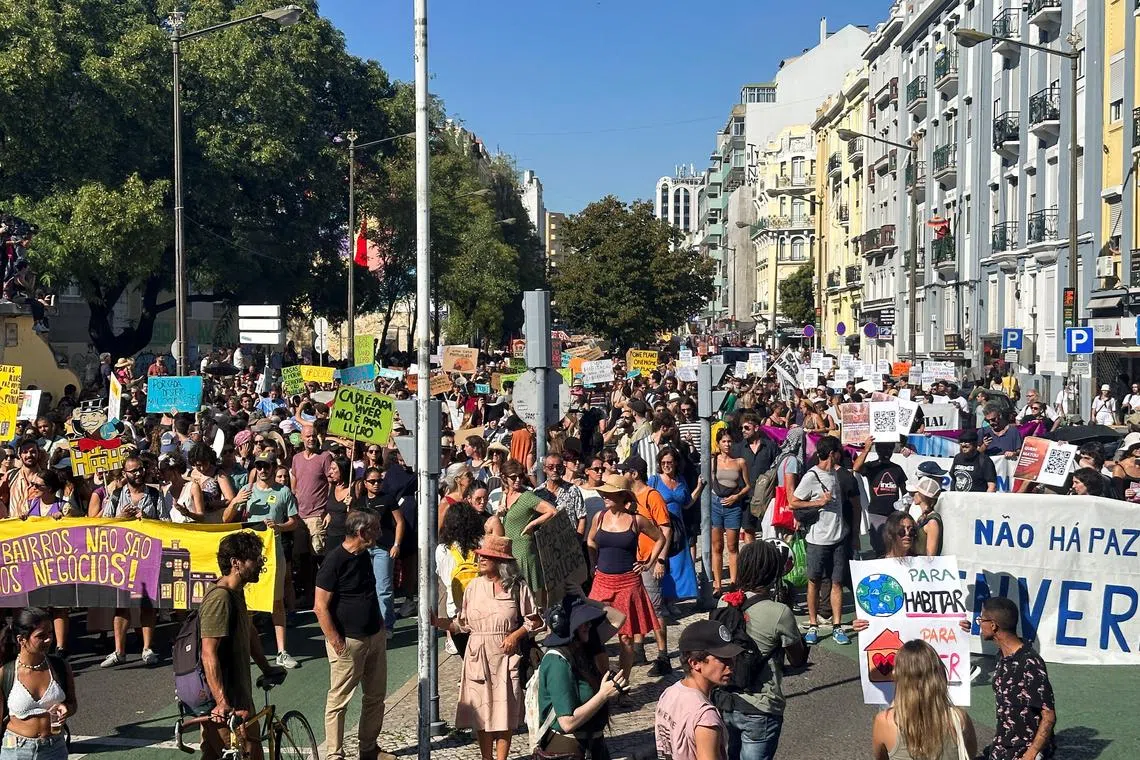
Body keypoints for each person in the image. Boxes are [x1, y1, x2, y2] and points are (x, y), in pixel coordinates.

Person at [432, 536, 541, 760]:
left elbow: (536, 620)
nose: (480, 559)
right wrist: (440, 623)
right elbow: (463, 625)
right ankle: (486, 758)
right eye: (480, 555)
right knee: (481, 712)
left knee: (504, 712)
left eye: (487, 556)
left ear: (501, 562)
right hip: (477, 654)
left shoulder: (517, 587)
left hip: (504, 655)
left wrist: (516, 635)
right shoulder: (473, 587)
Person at [716, 541, 807, 760]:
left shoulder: (724, 602)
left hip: (727, 701)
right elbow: (797, 660)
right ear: (773, 572)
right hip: (761, 706)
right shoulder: (779, 612)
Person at [313, 510, 393, 760]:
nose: (379, 534)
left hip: (373, 635)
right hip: (349, 641)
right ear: (361, 533)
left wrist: (379, 624)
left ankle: (368, 748)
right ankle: (335, 754)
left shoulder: (363, 556)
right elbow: (320, 606)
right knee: (339, 700)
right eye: (375, 530)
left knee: (375, 696)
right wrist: (336, 641)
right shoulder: (334, 561)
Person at [199, 532, 284, 760]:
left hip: (237, 699)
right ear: (236, 562)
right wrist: (221, 702)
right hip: (227, 706)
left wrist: (267, 668)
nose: (260, 564)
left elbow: (250, 633)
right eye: (254, 558)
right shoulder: (220, 599)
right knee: (248, 753)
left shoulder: (237, 593)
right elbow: (208, 652)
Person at [224, 452, 300, 669]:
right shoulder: (246, 491)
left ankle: (281, 651)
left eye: (266, 466)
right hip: (248, 557)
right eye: (259, 466)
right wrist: (237, 502)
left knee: (276, 602)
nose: (263, 470)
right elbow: (226, 518)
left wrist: (279, 527)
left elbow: (294, 521)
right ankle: (246, 649)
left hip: (273, 554)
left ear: (273, 468)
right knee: (247, 604)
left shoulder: (283, 492)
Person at [586, 473, 665, 681]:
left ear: (622, 496)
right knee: (590, 633)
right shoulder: (599, 517)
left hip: (628, 583)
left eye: (609, 493)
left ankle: (623, 682)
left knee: (627, 639)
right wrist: (593, 563)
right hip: (602, 582)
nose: (605, 496)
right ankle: (602, 678)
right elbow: (591, 541)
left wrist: (648, 563)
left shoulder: (636, 520)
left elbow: (660, 538)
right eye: (603, 493)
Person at [960, 597, 1056, 760]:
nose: (979, 624)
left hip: (1020, 752)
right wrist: (960, 632)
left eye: (981, 620)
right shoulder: (1004, 656)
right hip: (1002, 746)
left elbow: (1048, 716)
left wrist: (1031, 754)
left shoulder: (1029, 663)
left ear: (993, 625)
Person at [536, 596, 626, 760]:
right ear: (567, 625)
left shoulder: (582, 649)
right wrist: (603, 695)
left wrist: (582, 600)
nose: (589, 625)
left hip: (594, 746)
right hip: (568, 751)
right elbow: (567, 723)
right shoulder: (557, 662)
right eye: (583, 621)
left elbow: (618, 617)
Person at [100, 456, 166, 668]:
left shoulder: (155, 494)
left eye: (140, 469)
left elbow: (166, 523)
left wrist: (145, 516)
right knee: (121, 604)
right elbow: (105, 523)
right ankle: (119, 651)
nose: (138, 474)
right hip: (122, 557)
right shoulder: (117, 495)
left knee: (147, 603)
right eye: (133, 471)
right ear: (124, 473)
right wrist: (121, 516)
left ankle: (147, 648)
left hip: (148, 555)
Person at [789, 435, 851, 645]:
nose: (841, 455)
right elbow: (793, 502)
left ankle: (837, 625)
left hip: (839, 537)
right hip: (817, 539)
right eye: (839, 452)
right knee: (814, 582)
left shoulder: (836, 472)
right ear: (832, 454)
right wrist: (818, 502)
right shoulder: (811, 476)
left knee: (837, 582)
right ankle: (813, 625)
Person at [871, 640, 978, 760]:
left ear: (898, 676)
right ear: (939, 674)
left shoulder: (885, 721)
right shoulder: (959, 718)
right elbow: (970, 753)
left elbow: (881, 757)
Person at [654, 619, 739, 760]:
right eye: (722, 659)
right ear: (695, 663)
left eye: (731, 657)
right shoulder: (705, 718)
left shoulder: (669, 693)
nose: (731, 664)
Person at [0, 607, 77, 760]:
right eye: (41, 636)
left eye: (50, 633)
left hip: (55, 748)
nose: (48, 639)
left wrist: (66, 708)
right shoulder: (6, 673)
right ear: (21, 639)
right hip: (15, 750)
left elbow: (72, 703)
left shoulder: (60, 667)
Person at [353, 465, 405, 631]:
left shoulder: (388, 499)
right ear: (365, 483)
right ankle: (369, 622)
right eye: (372, 481)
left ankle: (386, 625)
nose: (376, 484)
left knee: (383, 588)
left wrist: (396, 544)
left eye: (379, 481)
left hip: (383, 547)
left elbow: (400, 522)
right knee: (364, 586)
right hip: (362, 549)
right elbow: (352, 524)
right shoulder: (360, 501)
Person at [499, 460, 558, 601]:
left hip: (523, 550)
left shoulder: (526, 497)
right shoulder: (505, 495)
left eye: (520, 476)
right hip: (509, 551)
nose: (518, 480)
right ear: (504, 478)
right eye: (513, 477)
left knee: (528, 594)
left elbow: (552, 511)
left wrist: (532, 524)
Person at [290, 424, 333, 604]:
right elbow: (295, 479)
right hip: (299, 516)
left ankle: (323, 597)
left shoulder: (324, 457)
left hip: (317, 515)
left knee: (319, 557)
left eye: (313, 435)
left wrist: (327, 508)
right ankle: (308, 595)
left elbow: (331, 481)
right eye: (307, 436)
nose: (311, 439)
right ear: (301, 437)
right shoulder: (296, 458)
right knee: (302, 559)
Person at [710, 429, 751, 594]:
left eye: (729, 441)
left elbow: (748, 485)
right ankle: (717, 584)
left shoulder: (740, 462)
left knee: (732, 545)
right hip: (715, 503)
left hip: (733, 505)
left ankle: (734, 582)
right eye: (724, 441)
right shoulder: (713, 461)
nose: (727, 444)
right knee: (716, 545)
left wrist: (737, 497)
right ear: (718, 443)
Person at [853, 438, 907, 556]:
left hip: (893, 515)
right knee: (879, 548)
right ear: (877, 449)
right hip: (876, 514)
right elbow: (856, 468)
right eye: (882, 448)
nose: (886, 452)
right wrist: (866, 448)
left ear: (893, 449)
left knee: (895, 548)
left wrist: (905, 511)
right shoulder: (872, 467)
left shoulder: (897, 469)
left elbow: (905, 492)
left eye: (889, 448)